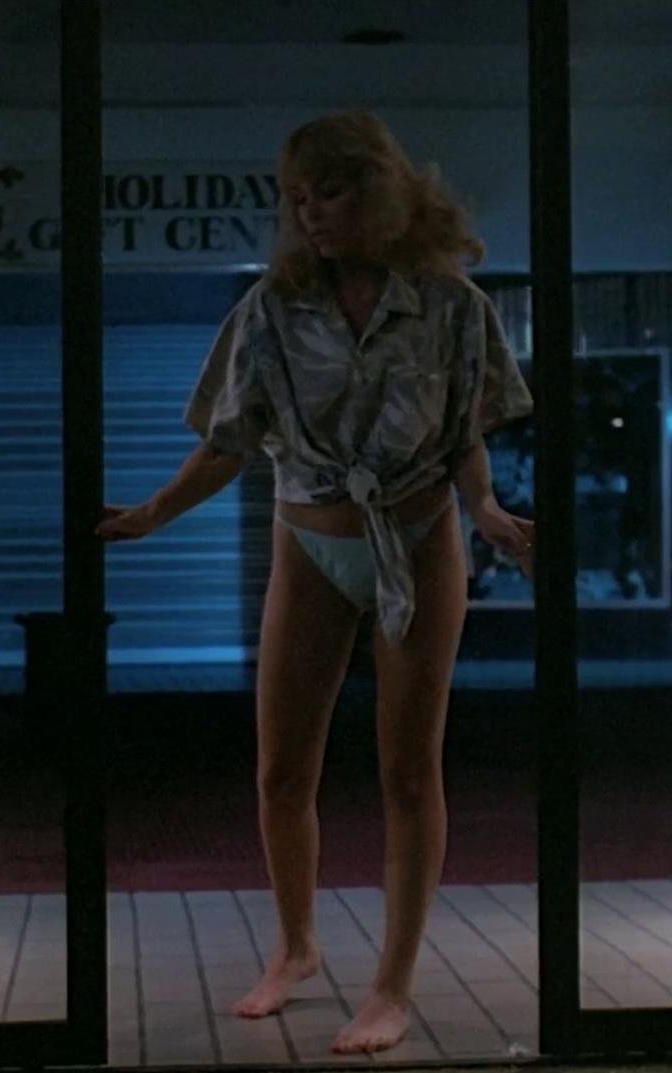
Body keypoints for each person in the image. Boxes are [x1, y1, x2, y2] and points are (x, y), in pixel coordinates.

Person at [95, 111, 535, 1055]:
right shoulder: (273, 306)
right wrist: (152, 513)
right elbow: (229, 441)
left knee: (408, 769)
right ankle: (295, 946)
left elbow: (464, 434)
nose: (311, 214)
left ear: (382, 193)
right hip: (309, 537)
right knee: (282, 767)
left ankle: (391, 985)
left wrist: (489, 511)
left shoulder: (452, 305)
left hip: (417, 536)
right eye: (297, 199)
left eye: (329, 193)